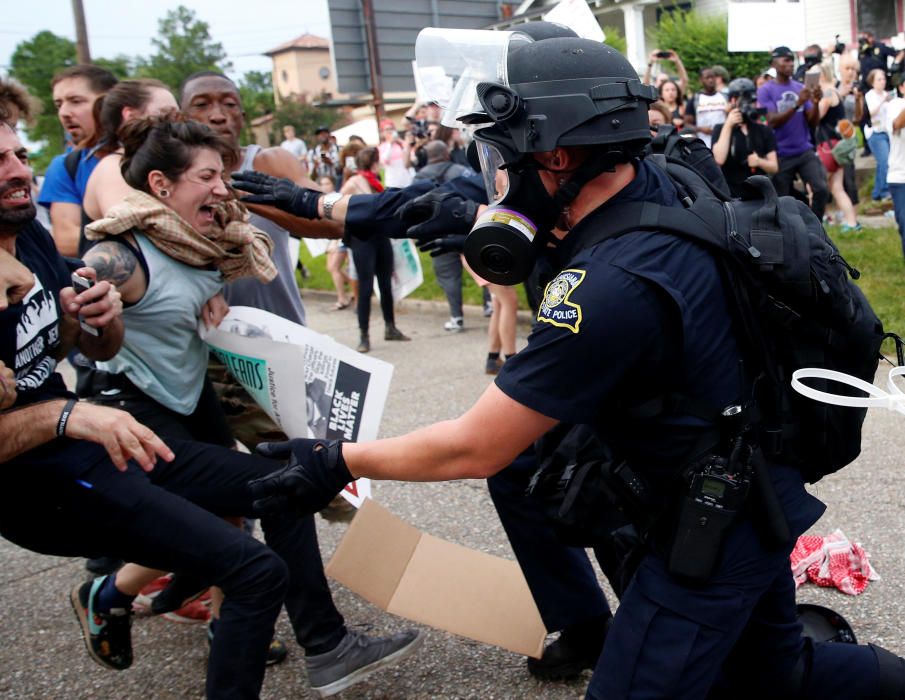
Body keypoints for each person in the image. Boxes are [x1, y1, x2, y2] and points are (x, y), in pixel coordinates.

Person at [243, 31, 905, 700]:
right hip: (751, 486)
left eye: (502, 156)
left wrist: (334, 461)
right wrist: (341, 207)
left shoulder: (606, 290)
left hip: (706, 533)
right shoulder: (662, 181)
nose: (496, 176)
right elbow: (497, 212)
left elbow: (475, 447)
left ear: (554, 156)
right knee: (777, 675)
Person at [0, 115, 423, 700]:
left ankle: (313, 643)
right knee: (256, 540)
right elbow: (94, 370)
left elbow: (87, 346)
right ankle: (309, 641)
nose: (224, 187)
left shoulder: (193, 245)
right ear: (161, 185)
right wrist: (70, 412)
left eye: (20, 155)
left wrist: (101, 322)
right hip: (116, 426)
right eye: (208, 176)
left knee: (276, 492)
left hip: (140, 417)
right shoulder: (118, 256)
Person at [37, 65, 118, 257]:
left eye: (75, 101)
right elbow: (67, 241)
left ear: (109, 102)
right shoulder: (65, 167)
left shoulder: (151, 152)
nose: (64, 112)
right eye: (59, 104)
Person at [340, 147, 410, 352]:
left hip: (380, 237)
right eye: (377, 161)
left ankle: (391, 327)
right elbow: (338, 205)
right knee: (365, 286)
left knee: (386, 284)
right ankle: (364, 335)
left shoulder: (375, 181)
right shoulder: (354, 182)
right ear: (372, 163)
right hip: (363, 239)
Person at [758, 45, 829, 221]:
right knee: (782, 201)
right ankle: (790, 231)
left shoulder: (799, 87)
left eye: (792, 60)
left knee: (820, 189)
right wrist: (797, 104)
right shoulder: (766, 90)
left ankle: (815, 227)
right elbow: (772, 120)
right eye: (786, 60)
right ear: (775, 64)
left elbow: (813, 121)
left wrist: (815, 101)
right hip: (781, 153)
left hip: (803, 149)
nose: (790, 64)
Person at [413, 140, 470, 332]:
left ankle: (456, 317)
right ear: (446, 153)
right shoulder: (461, 170)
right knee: (483, 270)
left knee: (448, 278)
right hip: (466, 229)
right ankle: (490, 306)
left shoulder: (419, 178)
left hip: (438, 233)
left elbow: (415, 208)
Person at [712, 78, 779, 198]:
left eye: (752, 100)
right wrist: (729, 124)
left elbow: (774, 167)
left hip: (759, 195)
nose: (749, 104)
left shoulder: (763, 130)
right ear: (732, 100)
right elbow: (719, 159)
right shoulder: (720, 129)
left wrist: (759, 162)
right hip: (732, 196)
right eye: (745, 100)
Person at [816, 62, 861, 230]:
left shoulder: (827, 93)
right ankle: (852, 222)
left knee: (815, 186)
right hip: (836, 146)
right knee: (836, 188)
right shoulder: (834, 92)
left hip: (828, 146)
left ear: (821, 75)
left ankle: (816, 224)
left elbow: (815, 116)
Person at [865, 68, 893, 201]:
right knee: (885, 161)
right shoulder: (870, 95)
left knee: (882, 163)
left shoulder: (887, 94)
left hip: (886, 132)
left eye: (883, 79)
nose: (882, 82)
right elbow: (870, 113)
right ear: (872, 82)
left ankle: (876, 193)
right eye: (879, 79)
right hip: (875, 132)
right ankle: (884, 191)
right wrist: (883, 101)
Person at [885, 76, 905, 259]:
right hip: (900, 177)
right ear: (901, 87)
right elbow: (896, 125)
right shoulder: (895, 105)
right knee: (904, 222)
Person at [683, 67, 727, 148]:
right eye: (707, 78)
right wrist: (701, 129)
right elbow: (687, 124)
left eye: (713, 77)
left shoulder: (725, 97)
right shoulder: (695, 99)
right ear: (701, 80)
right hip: (703, 145)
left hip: (723, 144)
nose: (711, 80)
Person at [378, 118, 413, 188]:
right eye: (387, 129)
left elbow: (411, 157)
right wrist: (390, 144)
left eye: (392, 129)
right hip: (392, 183)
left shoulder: (402, 143)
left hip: (407, 181)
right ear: (382, 132)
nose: (390, 131)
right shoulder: (381, 147)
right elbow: (384, 160)